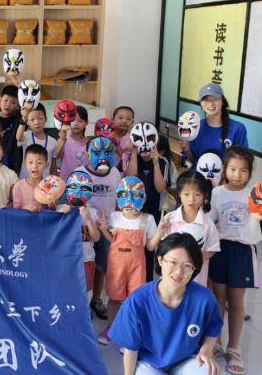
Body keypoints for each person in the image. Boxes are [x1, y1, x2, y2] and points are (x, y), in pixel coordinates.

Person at [109, 233, 223, 375]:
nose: (179, 272)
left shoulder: (204, 298)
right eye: (173, 262)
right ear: (160, 260)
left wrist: (206, 351)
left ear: (194, 269)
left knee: (209, 372)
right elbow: (130, 348)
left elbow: (213, 327)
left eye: (187, 265)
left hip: (187, 359)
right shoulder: (137, 300)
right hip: (149, 362)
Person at [97, 176, 166, 345]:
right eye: (124, 195)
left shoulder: (147, 219)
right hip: (116, 267)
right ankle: (112, 328)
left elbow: (150, 247)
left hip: (137, 268)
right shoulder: (114, 217)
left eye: (135, 195)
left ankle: (131, 332)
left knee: (133, 300)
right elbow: (112, 240)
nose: (129, 202)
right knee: (114, 298)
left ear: (143, 198)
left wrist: (159, 232)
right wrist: (103, 229)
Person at [208, 146, 259, 375]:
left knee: (236, 302)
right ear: (225, 169)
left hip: (242, 251)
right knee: (218, 297)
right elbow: (211, 220)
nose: (237, 175)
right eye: (233, 169)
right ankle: (216, 341)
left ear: (250, 172)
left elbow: (257, 224)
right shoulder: (217, 193)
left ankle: (234, 348)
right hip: (220, 249)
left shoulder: (254, 194)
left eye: (243, 170)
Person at [74, 136, 122, 320]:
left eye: (107, 152)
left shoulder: (115, 173)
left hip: (105, 227)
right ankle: (80, 302)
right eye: (97, 152)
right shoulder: (79, 172)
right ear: (87, 154)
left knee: (101, 265)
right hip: (83, 227)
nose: (102, 156)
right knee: (83, 264)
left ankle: (96, 299)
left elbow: (118, 200)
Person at [161, 171, 219, 286]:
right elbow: (162, 245)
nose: (191, 199)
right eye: (186, 194)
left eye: (197, 194)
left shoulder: (208, 223)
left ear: (204, 195)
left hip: (196, 277)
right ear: (179, 194)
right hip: (171, 276)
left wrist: (194, 261)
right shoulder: (170, 219)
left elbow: (212, 248)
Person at [126, 133, 170, 281]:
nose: (145, 145)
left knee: (149, 251)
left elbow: (160, 188)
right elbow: (130, 179)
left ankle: (147, 282)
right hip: (132, 211)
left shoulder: (162, 161)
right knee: (132, 249)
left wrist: (156, 163)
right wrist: (133, 154)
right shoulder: (131, 157)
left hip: (152, 212)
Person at [180, 83, 248, 164]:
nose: (210, 103)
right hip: (197, 172)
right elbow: (194, 161)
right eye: (206, 99)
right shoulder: (194, 127)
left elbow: (244, 161)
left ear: (222, 101)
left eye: (215, 98)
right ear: (200, 102)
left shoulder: (238, 128)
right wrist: (187, 149)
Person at [16, 103, 58, 178]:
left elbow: (53, 164)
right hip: (26, 179)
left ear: (46, 119)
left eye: (40, 118)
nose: (37, 122)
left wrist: (53, 179)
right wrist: (23, 119)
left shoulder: (53, 141)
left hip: (45, 180)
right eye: (32, 119)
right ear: (27, 122)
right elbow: (18, 138)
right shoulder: (25, 136)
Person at [9, 144, 49, 210]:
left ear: (46, 165)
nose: (34, 166)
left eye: (39, 163)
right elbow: (15, 211)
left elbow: (52, 211)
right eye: (30, 162)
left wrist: (52, 206)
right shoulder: (18, 186)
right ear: (25, 164)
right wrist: (24, 209)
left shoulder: (49, 186)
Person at [55, 105, 89, 180]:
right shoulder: (63, 141)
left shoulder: (90, 143)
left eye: (80, 121)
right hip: (66, 182)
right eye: (73, 121)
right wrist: (62, 140)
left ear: (86, 123)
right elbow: (55, 156)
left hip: (85, 182)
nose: (76, 124)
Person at [113, 105, 135, 171]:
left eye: (128, 119)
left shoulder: (132, 140)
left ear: (132, 122)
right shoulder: (105, 137)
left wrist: (117, 146)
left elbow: (129, 160)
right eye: (120, 118)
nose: (124, 121)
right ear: (113, 120)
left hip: (123, 175)